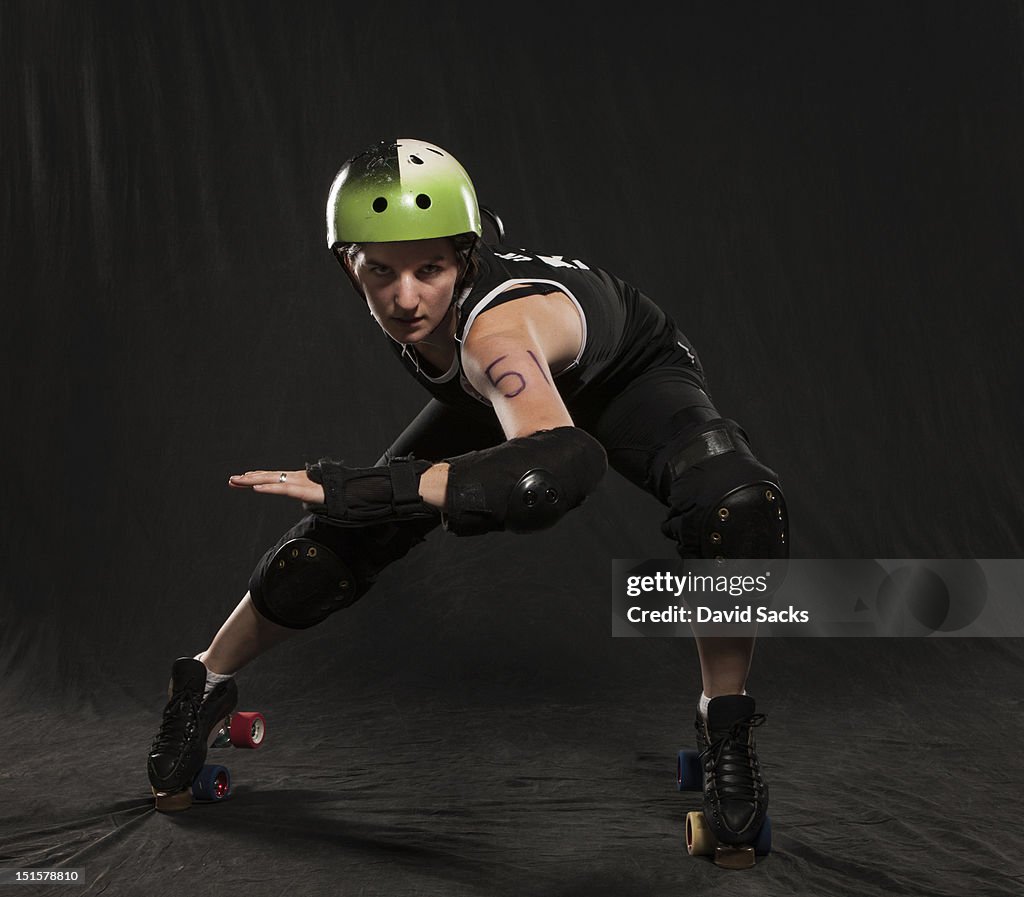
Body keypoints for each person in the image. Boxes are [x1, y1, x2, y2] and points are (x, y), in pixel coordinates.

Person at [147, 138, 788, 848]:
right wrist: (371, 499)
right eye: (379, 271)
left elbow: (553, 466)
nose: (405, 297)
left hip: (628, 380)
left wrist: (371, 485)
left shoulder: (495, 333)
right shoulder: (421, 309)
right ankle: (202, 682)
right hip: (502, 399)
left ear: (467, 258)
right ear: (346, 264)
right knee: (342, 540)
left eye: (431, 269)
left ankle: (723, 715)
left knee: (738, 507)